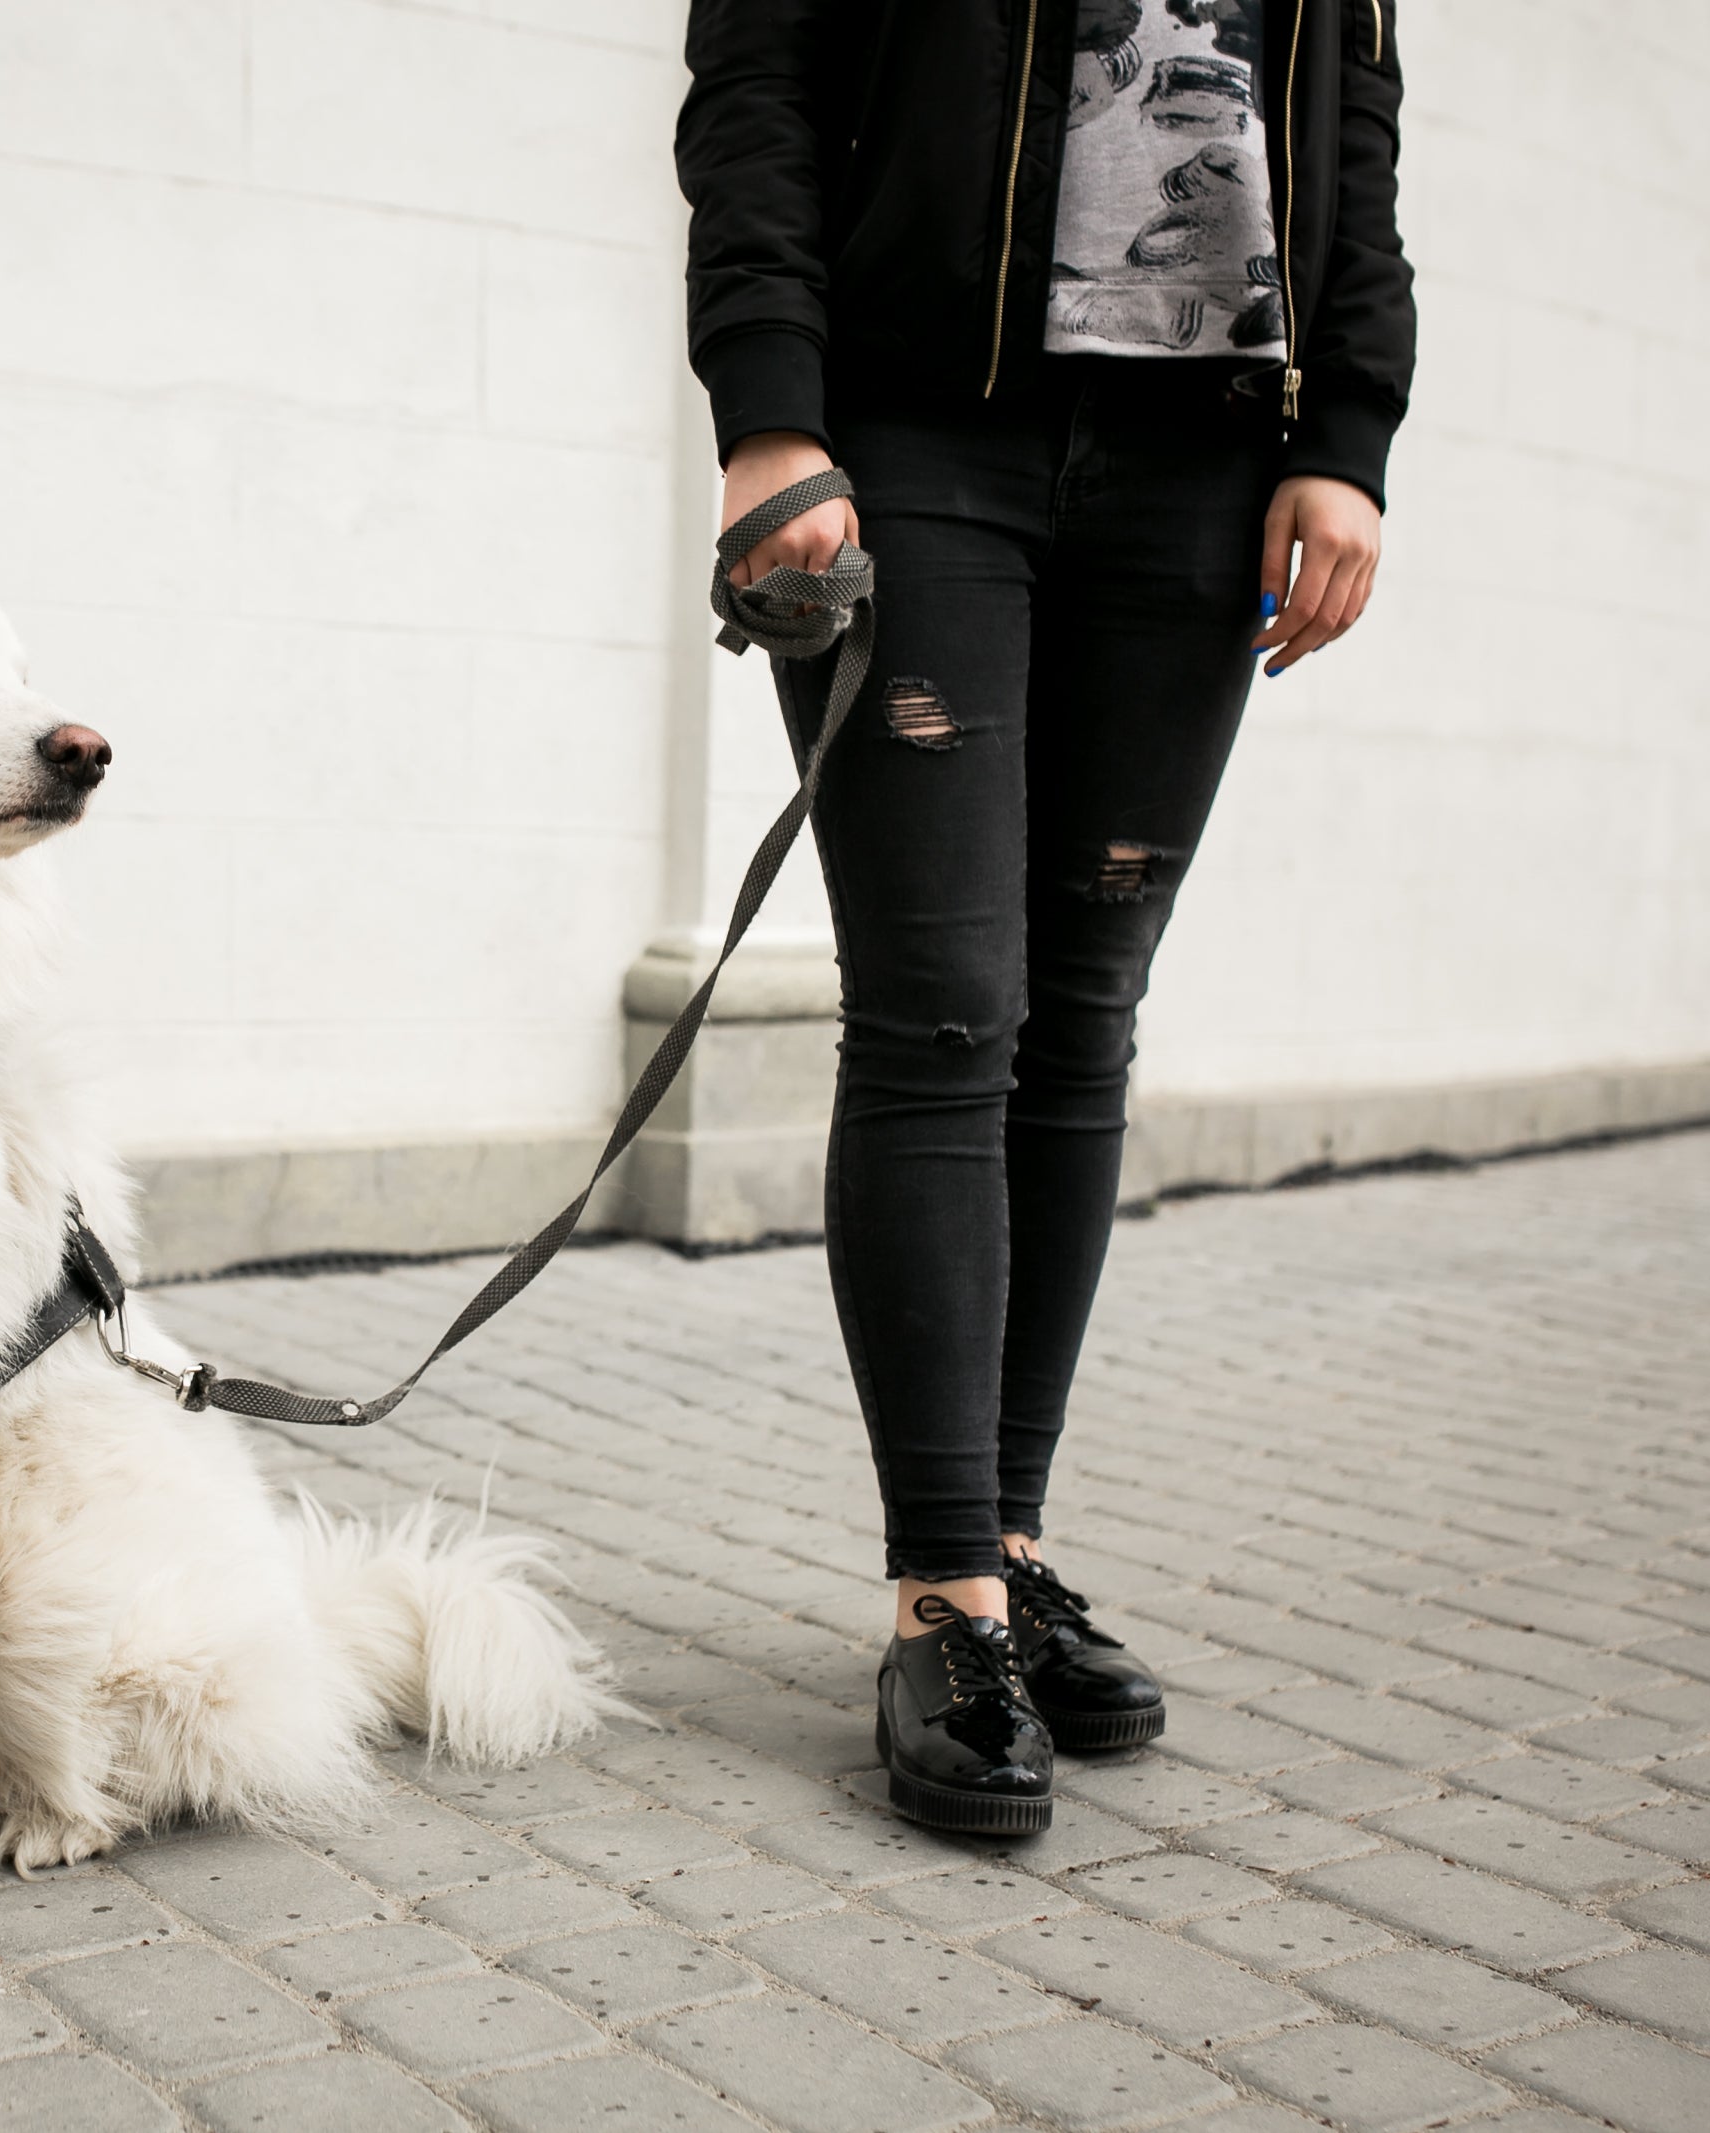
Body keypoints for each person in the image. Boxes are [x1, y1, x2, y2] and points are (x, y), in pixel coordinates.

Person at [677, 0, 1414, 1834]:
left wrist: (1350, 433)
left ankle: (1007, 1554)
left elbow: (1354, 144)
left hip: (1209, 460)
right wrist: (770, 414)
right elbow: (759, 91)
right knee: (942, 1009)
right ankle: (942, 1602)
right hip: (922, 436)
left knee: (1084, 1014)